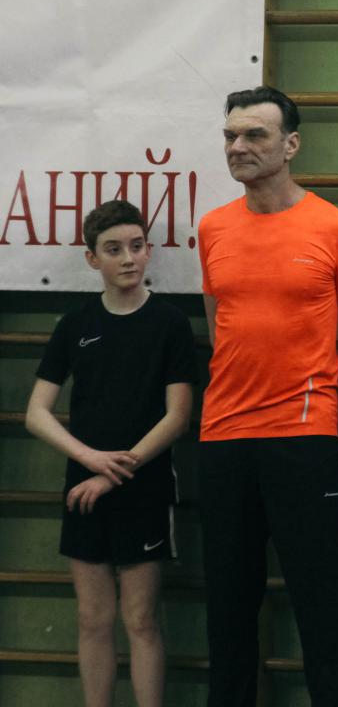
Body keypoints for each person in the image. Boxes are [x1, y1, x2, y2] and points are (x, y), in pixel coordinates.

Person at [196, 86, 338, 706]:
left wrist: (319, 418)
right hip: (223, 442)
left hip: (303, 443)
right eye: (230, 136)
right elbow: (222, 332)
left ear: (291, 145)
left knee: (326, 609)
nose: (238, 147)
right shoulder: (213, 228)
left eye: (255, 135)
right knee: (227, 613)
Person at [25, 200, 196, 707]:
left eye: (136, 246)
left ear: (149, 250)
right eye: (114, 249)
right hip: (83, 489)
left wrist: (114, 471)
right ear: (92, 258)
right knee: (92, 618)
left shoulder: (169, 323)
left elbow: (177, 417)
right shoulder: (75, 323)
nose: (128, 258)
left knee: (140, 618)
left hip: (144, 488)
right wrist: (90, 460)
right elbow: (36, 413)